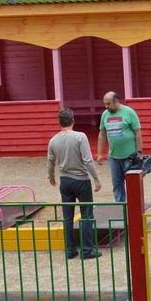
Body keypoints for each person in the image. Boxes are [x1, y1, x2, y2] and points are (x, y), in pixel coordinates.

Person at [46, 107, 101, 260]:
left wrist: (51, 176)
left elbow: (50, 162)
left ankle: (70, 250)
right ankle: (87, 250)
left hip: (65, 180)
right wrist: (96, 178)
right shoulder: (80, 137)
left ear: (59, 122)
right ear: (73, 120)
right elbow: (88, 160)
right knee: (86, 215)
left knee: (67, 216)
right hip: (81, 180)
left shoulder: (53, 140)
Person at [97, 90, 142, 205]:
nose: (106, 107)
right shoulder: (105, 114)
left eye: (108, 104)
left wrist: (139, 152)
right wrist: (100, 153)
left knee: (133, 184)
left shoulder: (129, 112)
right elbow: (102, 134)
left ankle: (134, 206)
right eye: (105, 104)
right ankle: (120, 206)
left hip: (129, 155)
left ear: (116, 101)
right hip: (113, 156)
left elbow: (137, 133)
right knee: (117, 183)